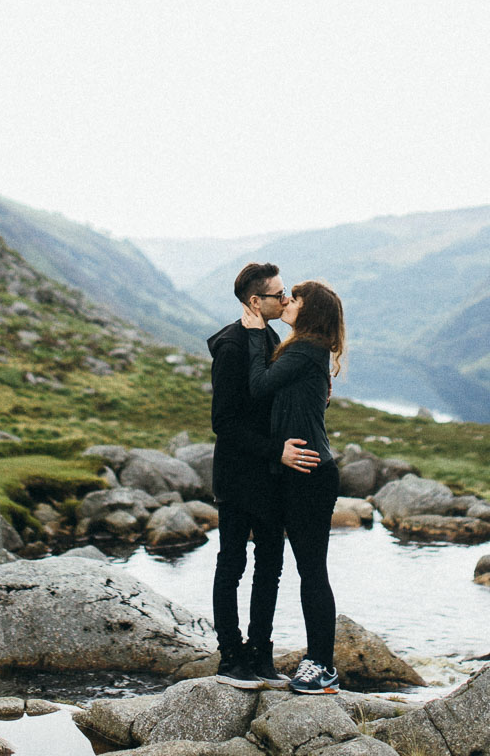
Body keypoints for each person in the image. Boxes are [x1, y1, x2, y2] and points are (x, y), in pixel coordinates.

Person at [207, 263, 319, 689]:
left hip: (270, 477)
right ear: (255, 301)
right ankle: (230, 658)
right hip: (238, 476)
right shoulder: (232, 346)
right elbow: (224, 423)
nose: (285, 299)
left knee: (270, 566)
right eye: (278, 294)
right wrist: (277, 451)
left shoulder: (269, 337)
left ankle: (260, 656)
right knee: (232, 565)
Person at [246, 279, 345, 695]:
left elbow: (259, 385)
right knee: (307, 569)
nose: (287, 300)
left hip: (310, 473)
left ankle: (322, 665)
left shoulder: (306, 349)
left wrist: (256, 335)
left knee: (312, 570)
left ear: (310, 311)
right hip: (296, 470)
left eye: (295, 298)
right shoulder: (304, 349)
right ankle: (314, 661)